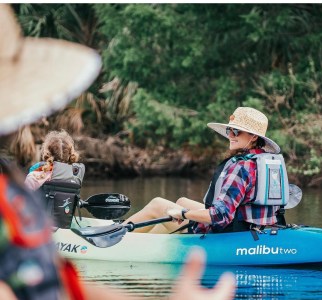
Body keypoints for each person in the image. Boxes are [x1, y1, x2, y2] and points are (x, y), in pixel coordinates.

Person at [0, 4, 235, 300]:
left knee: (164, 204)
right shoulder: (35, 182)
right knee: (164, 204)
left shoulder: (16, 183)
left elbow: (53, 282)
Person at [124, 107, 287, 234]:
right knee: (181, 201)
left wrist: (184, 214)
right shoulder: (265, 161)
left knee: (157, 204)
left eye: (236, 131)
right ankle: (150, 240)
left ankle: (118, 240)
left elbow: (220, 215)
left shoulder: (241, 166)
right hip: (252, 225)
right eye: (229, 130)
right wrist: (183, 210)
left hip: (228, 231)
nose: (230, 135)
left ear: (253, 137)